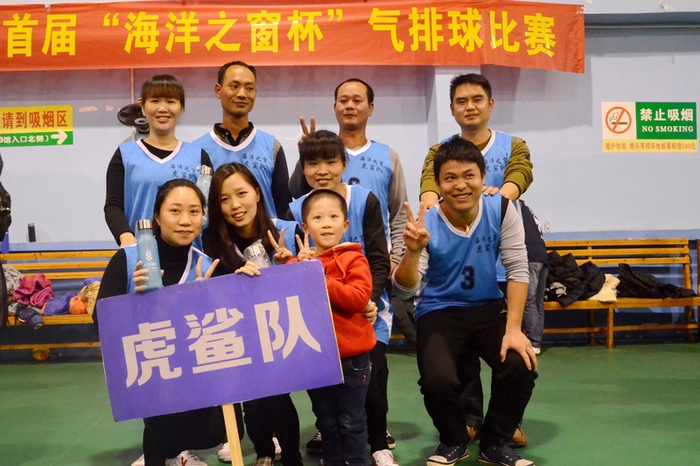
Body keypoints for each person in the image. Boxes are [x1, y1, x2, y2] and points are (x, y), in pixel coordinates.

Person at [392, 138, 537, 466]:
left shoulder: (502, 209)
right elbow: (404, 290)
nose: (460, 185)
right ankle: (453, 440)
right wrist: (412, 253)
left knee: (520, 364)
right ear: (438, 184)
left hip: (488, 307)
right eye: (450, 178)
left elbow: (517, 268)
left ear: (483, 177)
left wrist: (514, 329)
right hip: (439, 310)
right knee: (437, 380)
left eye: (469, 175)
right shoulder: (426, 222)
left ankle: (495, 443)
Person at [289, 79, 405, 465]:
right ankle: (332, 441)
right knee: (327, 390)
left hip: (364, 306)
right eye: (312, 163)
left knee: (373, 378)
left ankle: (378, 444)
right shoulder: (295, 209)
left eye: (330, 162)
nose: (322, 171)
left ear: (344, 164)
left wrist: (369, 300)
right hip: (317, 318)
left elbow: (379, 257)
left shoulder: (364, 199)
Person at [418, 73, 534, 447]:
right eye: (461, 101)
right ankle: (468, 419)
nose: (470, 106)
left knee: (513, 347)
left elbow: (519, 177)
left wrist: (497, 198)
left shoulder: (513, 145)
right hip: (456, 254)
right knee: (459, 356)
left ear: (490, 104)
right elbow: (428, 190)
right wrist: (430, 214)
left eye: (477, 99)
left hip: (497, 248)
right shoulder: (439, 151)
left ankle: (506, 424)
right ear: (452, 109)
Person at [95, 179, 223, 466]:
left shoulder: (205, 264)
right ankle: (162, 454)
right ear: (157, 216)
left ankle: (175, 452)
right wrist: (136, 303)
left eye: (194, 211)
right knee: (162, 420)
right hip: (148, 363)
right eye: (175, 211)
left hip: (191, 365)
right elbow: (100, 320)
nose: (185, 221)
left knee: (215, 432)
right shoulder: (129, 259)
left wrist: (205, 300)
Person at [204, 162, 303, 466]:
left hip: (282, 329)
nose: (235, 205)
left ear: (258, 193)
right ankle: (264, 451)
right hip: (240, 333)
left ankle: (292, 456)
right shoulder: (211, 242)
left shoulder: (286, 231)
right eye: (224, 199)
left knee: (279, 396)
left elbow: (307, 281)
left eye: (241, 194)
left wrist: (292, 263)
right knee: (254, 401)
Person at [290, 188, 375, 466]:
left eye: (333, 217)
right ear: (305, 227)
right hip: (316, 358)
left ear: (346, 224)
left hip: (353, 360)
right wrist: (289, 263)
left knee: (352, 422)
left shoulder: (354, 259)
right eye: (317, 217)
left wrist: (318, 276)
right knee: (326, 422)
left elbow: (358, 298)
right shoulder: (301, 263)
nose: (326, 223)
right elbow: (282, 288)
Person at [104, 74, 213, 247]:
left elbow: (207, 211)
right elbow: (113, 206)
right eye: (155, 101)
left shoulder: (199, 157)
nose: (162, 108)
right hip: (141, 253)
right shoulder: (124, 155)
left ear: (181, 108)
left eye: (171, 101)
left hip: (189, 255)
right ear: (143, 107)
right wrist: (126, 238)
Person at [193, 61, 292, 219]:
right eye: (234, 86)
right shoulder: (197, 150)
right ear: (218, 90)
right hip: (216, 235)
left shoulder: (272, 147)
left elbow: (283, 208)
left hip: (266, 234)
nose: (242, 94)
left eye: (249, 88)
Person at [518, 200, 549, 355]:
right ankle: (537, 342)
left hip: (530, 258)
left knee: (528, 300)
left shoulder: (515, 211)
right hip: (543, 258)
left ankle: (533, 342)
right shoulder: (529, 211)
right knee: (538, 302)